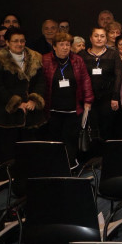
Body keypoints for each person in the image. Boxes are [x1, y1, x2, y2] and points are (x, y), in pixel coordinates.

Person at [0, 27, 46, 165]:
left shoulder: (36, 58)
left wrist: (34, 100)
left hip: (31, 114)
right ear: (7, 42)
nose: (19, 44)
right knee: (9, 155)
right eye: (15, 41)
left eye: (22, 41)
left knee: (31, 155)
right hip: (7, 115)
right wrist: (17, 103)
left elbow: (41, 82)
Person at [42, 32, 94, 166]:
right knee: (54, 140)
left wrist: (88, 100)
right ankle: (55, 166)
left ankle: (70, 165)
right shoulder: (45, 60)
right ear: (54, 46)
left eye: (67, 45)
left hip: (73, 109)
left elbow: (85, 80)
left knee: (71, 139)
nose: (65, 48)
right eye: (61, 45)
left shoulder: (77, 60)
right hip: (53, 109)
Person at [79, 26, 122, 143]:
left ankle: (107, 153)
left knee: (107, 129)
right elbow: (79, 78)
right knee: (91, 129)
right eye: (96, 36)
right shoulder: (82, 55)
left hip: (107, 98)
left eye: (102, 36)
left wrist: (115, 97)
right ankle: (93, 153)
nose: (99, 39)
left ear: (106, 39)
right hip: (88, 99)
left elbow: (118, 76)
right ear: (90, 38)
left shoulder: (113, 54)